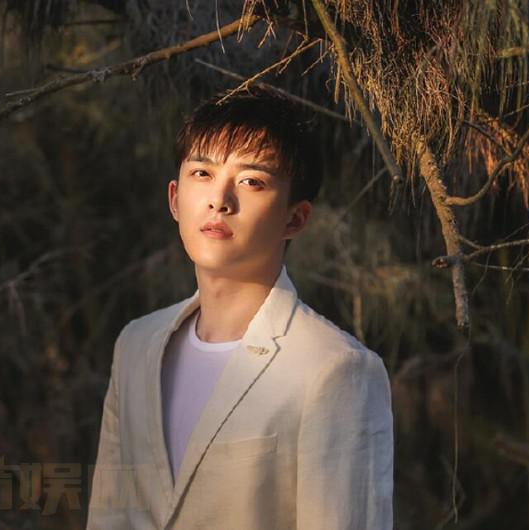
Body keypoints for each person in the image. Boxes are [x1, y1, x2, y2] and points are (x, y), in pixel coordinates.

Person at [85, 86, 393, 529]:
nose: (220, 200)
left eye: (252, 181)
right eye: (202, 173)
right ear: (174, 198)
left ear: (295, 218)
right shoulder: (136, 345)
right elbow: (109, 516)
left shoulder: (334, 369)